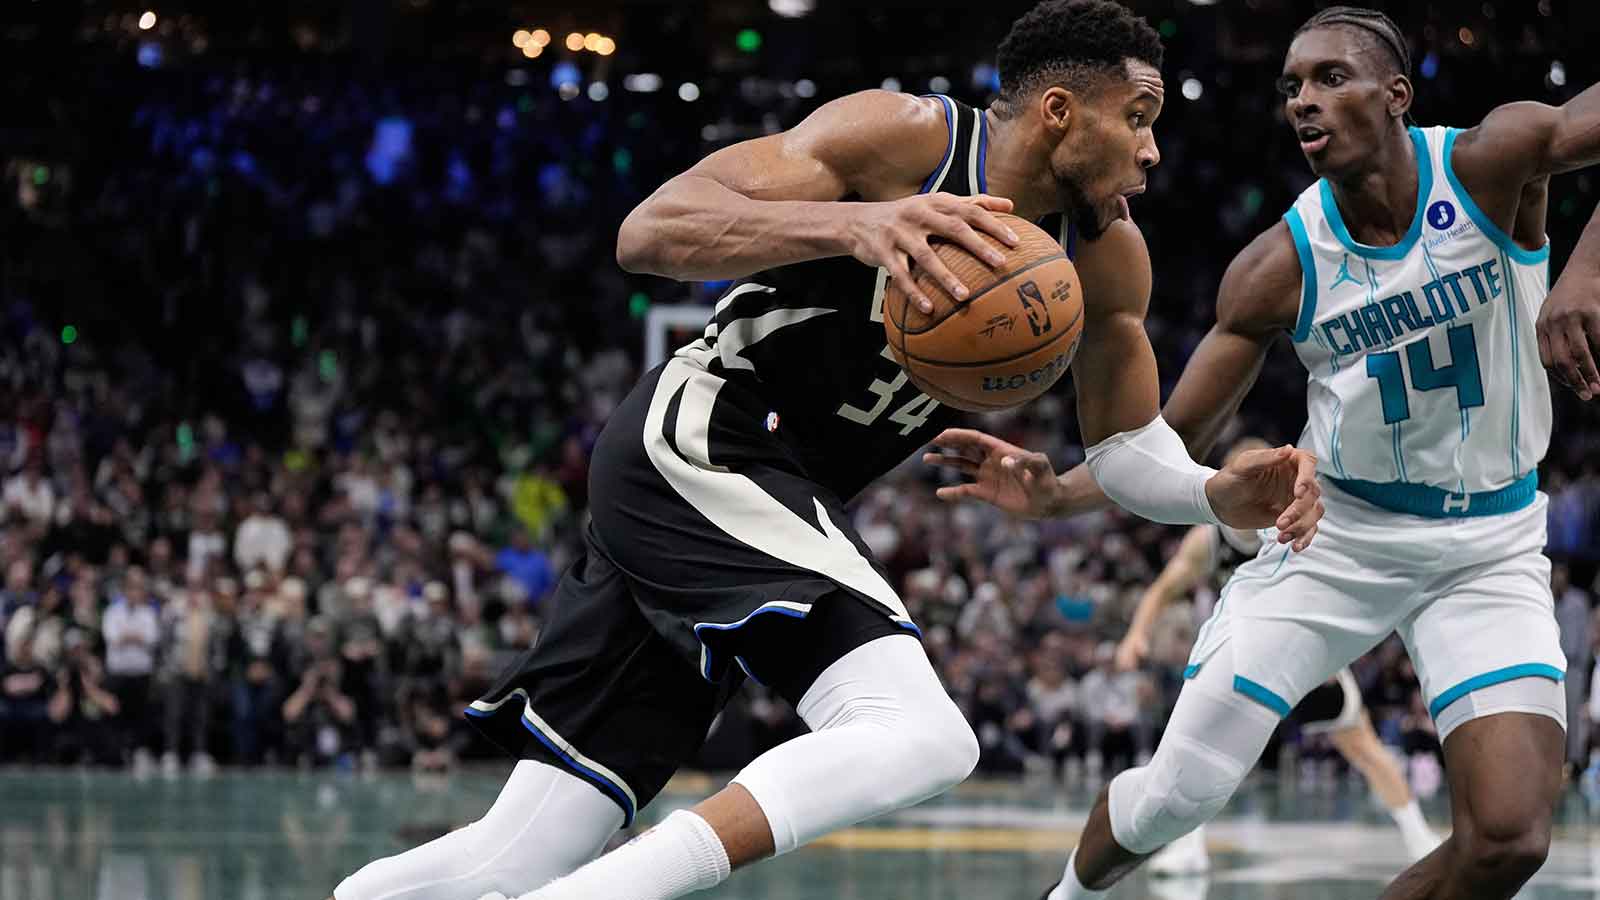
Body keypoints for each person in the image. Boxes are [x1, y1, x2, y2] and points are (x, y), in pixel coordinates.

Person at [331, 2, 1321, 899]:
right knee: (921, 734)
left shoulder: (1106, 256)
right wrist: (859, 225)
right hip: (705, 436)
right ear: (1060, 111)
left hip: (764, 487)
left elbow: (1121, 450)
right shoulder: (906, 141)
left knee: (518, 852)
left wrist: (1210, 493)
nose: (1154, 150)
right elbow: (649, 231)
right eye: (1138, 115)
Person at [927, 7, 1600, 898]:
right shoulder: (1278, 266)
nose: (1303, 102)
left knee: (1511, 838)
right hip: (1336, 537)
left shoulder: (1491, 161)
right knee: (1175, 798)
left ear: (1396, 96)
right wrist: (1059, 497)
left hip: (1490, 545)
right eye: (1291, 87)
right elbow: (1171, 435)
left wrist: (1584, 273)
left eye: (1330, 78)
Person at [1113, 439, 1440, 875]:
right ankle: (1188, 848)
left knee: (1364, 748)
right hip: (1245, 657)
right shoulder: (1207, 537)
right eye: (1252, 479)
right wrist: (1135, 635)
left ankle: (1420, 839)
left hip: (1307, 661)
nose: (1261, 489)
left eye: (1269, 480)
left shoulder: (1304, 516)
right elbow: (1163, 589)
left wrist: (1333, 652)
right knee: (1197, 753)